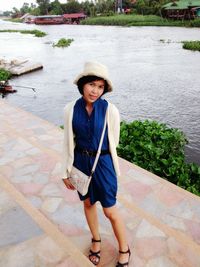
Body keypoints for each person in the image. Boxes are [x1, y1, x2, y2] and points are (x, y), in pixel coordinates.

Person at [62, 61, 131, 266]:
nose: (95, 91)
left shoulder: (110, 110)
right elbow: (67, 141)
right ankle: (96, 240)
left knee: (110, 210)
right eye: (92, 84)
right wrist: (65, 171)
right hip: (80, 161)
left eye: (100, 87)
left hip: (103, 163)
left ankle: (124, 249)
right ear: (82, 84)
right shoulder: (70, 109)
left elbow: (114, 140)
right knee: (88, 203)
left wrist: (99, 155)